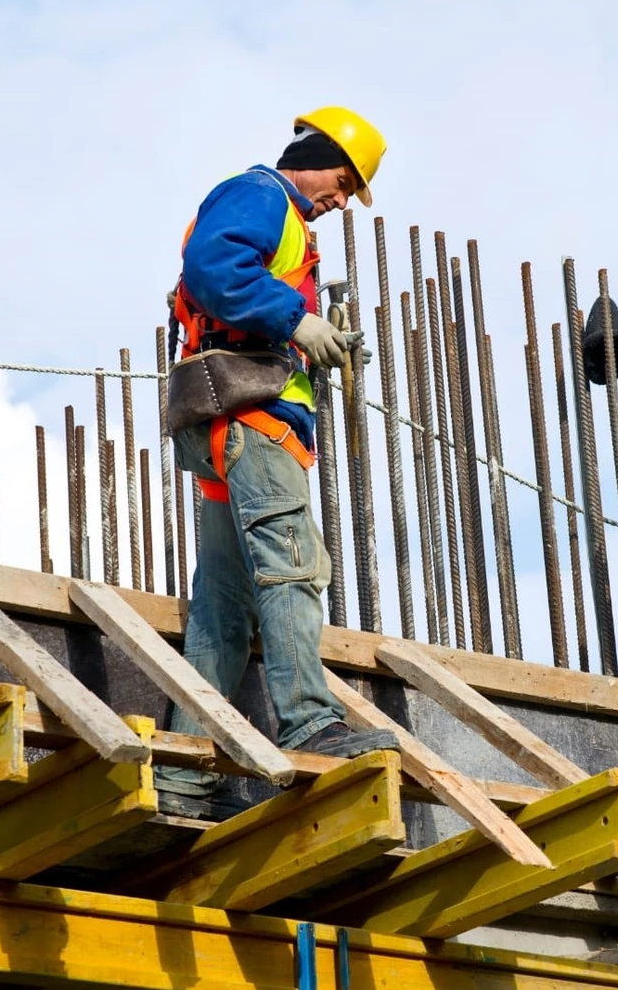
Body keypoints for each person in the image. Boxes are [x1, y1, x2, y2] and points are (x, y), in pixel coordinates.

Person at [154, 107, 399, 819]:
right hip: (252, 423)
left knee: (223, 611)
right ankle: (311, 721)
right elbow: (212, 267)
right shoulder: (263, 195)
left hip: (229, 426)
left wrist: (307, 333)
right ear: (315, 154)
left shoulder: (287, 222)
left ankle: (185, 771)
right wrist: (296, 321)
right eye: (344, 181)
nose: (342, 199)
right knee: (293, 567)